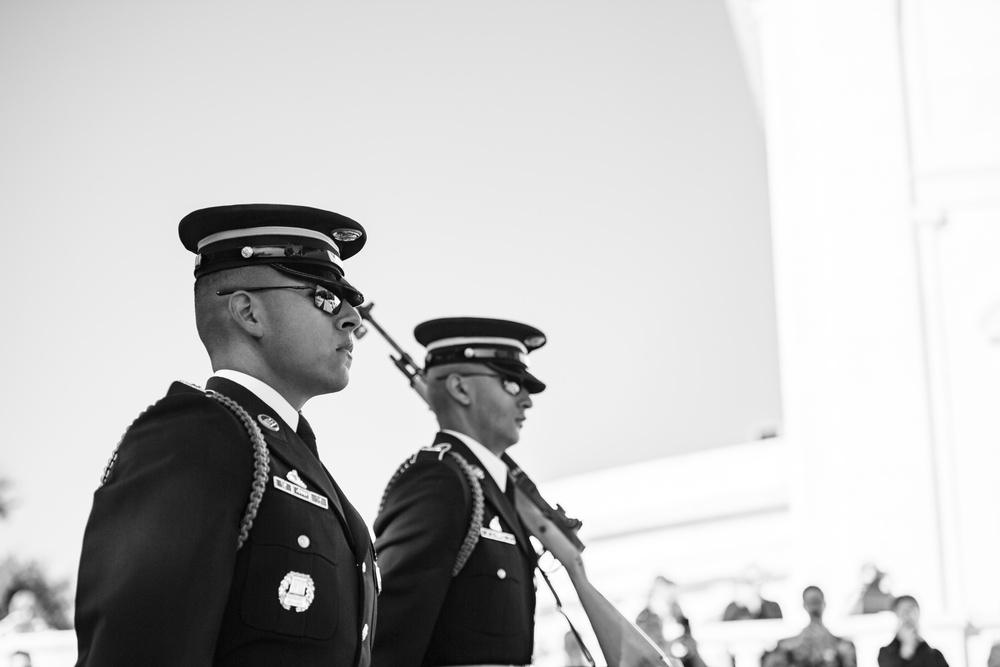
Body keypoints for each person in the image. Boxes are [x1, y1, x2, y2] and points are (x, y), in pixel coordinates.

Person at [74, 204, 379, 666]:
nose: (352, 317)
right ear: (248, 312)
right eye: (324, 297)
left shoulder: (291, 459)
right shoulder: (196, 439)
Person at [372, 317, 546, 666]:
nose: (527, 400)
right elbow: (387, 639)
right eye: (512, 384)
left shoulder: (496, 489)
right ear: (460, 388)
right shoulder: (440, 480)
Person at [763, 586, 856, 667]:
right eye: (810, 603)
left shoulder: (844, 646)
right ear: (804, 605)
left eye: (816, 602)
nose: (814, 607)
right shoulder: (788, 645)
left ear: (824, 604)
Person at [877, 595, 948, 667]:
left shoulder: (935, 655)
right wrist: (907, 647)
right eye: (903, 612)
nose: (907, 616)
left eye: (912, 611)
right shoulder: (886, 654)